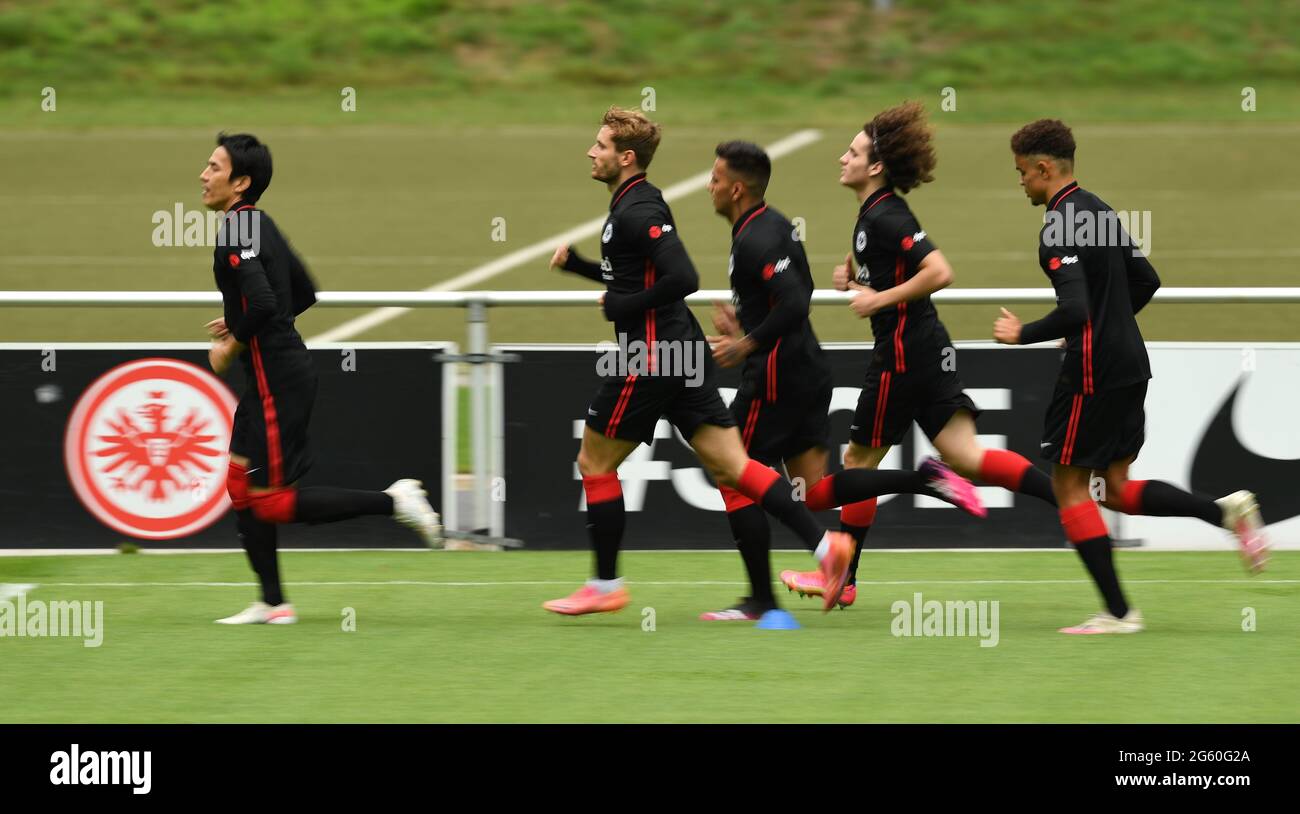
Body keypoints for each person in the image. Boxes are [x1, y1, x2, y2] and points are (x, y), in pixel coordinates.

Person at [544, 108, 853, 617]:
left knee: (594, 462)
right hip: (681, 349)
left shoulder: (636, 210)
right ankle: (825, 549)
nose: (590, 152)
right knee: (735, 467)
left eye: (599, 145)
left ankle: (604, 586)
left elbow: (680, 277)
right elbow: (638, 275)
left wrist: (621, 307)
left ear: (625, 157)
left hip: (651, 355)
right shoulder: (638, 204)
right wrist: (581, 268)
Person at [994, 118, 1269, 634]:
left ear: (1044, 168)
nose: (1021, 184)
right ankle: (1224, 513)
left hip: (1093, 374)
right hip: (1130, 365)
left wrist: (1023, 333)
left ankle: (1119, 613)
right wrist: (1111, 322)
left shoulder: (1057, 226)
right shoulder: (1098, 210)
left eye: (1022, 174)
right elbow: (1147, 279)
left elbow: (1075, 308)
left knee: (1070, 486)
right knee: (1113, 489)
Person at [201, 132, 441, 625]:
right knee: (240, 486)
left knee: (268, 502)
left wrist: (231, 343)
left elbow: (268, 302)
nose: (203, 176)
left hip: (277, 380)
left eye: (214, 167)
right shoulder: (257, 223)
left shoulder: (234, 232)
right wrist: (242, 317)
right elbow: (303, 292)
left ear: (241, 182)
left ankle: (393, 501)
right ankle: (272, 603)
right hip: (276, 373)